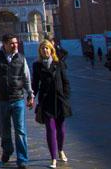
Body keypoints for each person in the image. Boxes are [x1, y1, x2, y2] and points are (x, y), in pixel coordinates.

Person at [0, 33, 34, 169]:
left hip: (17, 98)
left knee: (21, 131)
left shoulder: (21, 58)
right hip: (1, 99)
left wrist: (30, 93)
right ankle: (7, 150)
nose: (15, 45)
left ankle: (22, 159)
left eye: (16, 43)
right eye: (12, 43)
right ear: (4, 44)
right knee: (4, 129)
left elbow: (26, 77)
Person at [32, 40, 71, 169]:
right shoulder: (37, 66)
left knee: (61, 129)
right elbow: (35, 84)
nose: (45, 50)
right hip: (46, 101)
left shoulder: (59, 64)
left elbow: (66, 82)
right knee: (50, 129)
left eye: (47, 48)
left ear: (51, 50)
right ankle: (53, 157)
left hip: (60, 100)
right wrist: (31, 96)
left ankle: (60, 150)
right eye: (43, 49)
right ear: (40, 51)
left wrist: (66, 97)